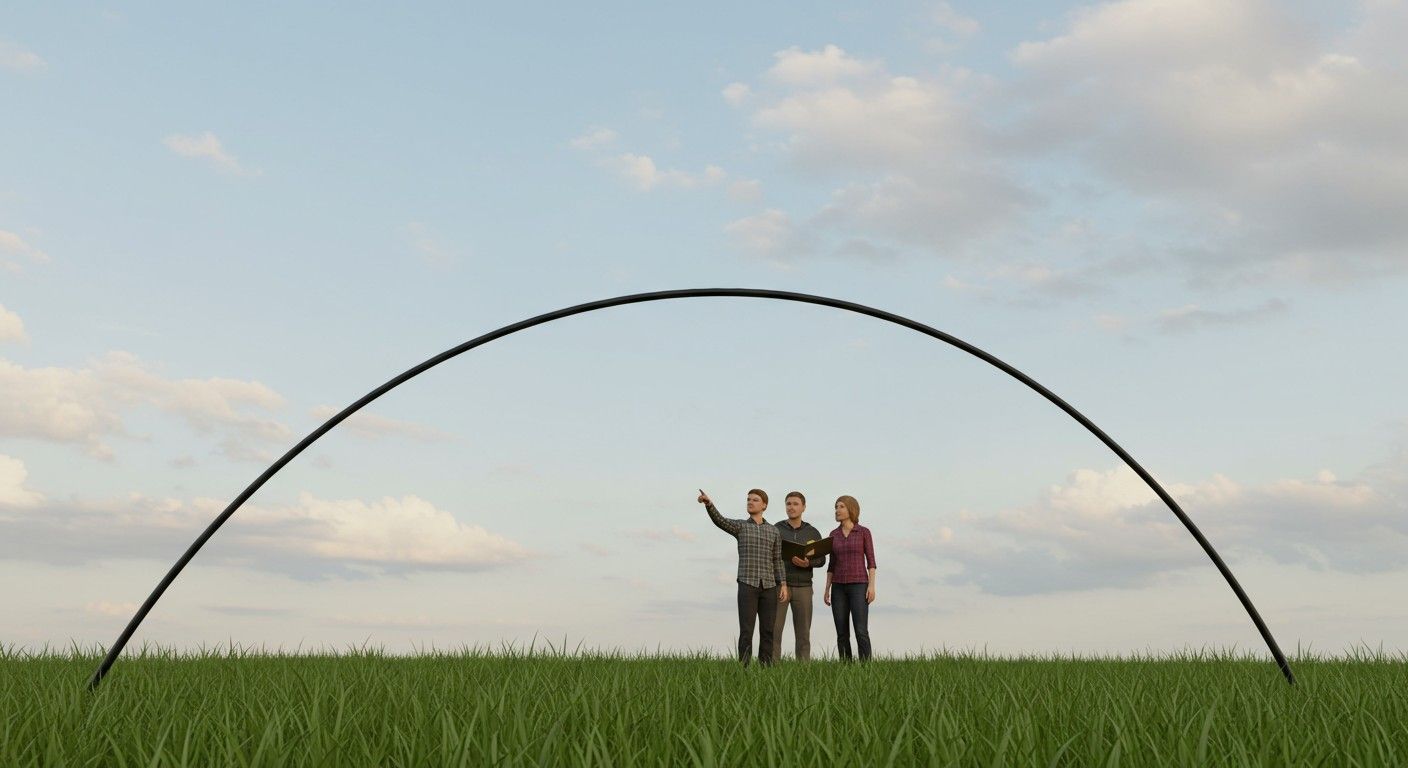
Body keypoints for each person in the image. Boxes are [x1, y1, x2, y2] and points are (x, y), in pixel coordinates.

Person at [697, 488, 788, 667]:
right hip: (748, 583)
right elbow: (721, 521)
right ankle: (744, 668)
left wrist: (783, 584)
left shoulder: (773, 531)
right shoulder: (741, 526)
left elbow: (777, 559)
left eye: (755, 500)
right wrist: (709, 505)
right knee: (747, 630)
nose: (750, 502)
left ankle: (766, 668)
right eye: (748, 499)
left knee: (768, 630)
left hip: (769, 586)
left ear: (764, 505)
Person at [771, 491, 826, 661]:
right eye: (788, 504)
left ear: (803, 507)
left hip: (804, 587)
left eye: (795, 504)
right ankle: (771, 668)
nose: (791, 507)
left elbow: (822, 559)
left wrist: (808, 563)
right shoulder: (776, 529)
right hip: (780, 585)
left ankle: (803, 670)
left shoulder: (812, 532)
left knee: (803, 634)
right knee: (774, 631)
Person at [824, 494, 876, 662]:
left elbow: (871, 561)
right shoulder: (833, 534)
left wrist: (871, 586)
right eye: (836, 507)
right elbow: (831, 564)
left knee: (861, 630)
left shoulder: (863, 532)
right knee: (841, 631)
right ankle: (845, 666)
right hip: (838, 587)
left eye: (841, 507)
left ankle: (866, 667)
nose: (837, 510)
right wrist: (827, 589)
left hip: (859, 585)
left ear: (851, 509)